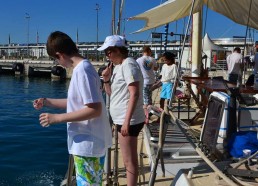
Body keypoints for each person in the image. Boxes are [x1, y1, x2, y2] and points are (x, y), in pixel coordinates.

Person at [32, 31, 112, 186]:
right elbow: (77, 102)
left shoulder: (83, 70)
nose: (58, 63)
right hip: (87, 143)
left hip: (88, 144)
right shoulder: (82, 68)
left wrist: (57, 118)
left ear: (59, 54)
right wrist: (47, 102)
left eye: (55, 59)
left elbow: (94, 109)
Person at [97, 35, 145, 186]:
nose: (107, 55)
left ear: (118, 50)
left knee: (129, 161)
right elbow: (112, 94)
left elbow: (134, 93)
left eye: (109, 51)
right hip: (121, 120)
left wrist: (125, 122)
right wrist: (106, 79)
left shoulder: (129, 65)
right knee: (127, 159)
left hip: (128, 121)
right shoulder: (118, 67)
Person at [136, 46, 158, 124]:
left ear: (143, 52)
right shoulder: (152, 59)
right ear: (149, 51)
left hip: (143, 81)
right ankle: (149, 115)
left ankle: (146, 118)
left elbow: (136, 70)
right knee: (149, 99)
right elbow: (156, 69)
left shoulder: (139, 60)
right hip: (151, 81)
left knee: (145, 100)